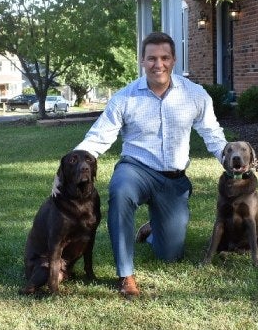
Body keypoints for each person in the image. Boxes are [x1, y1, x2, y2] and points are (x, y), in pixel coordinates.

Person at [74, 31, 227, 297]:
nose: (159, 65)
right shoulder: (125, 97)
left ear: (174, 60)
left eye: (165, 58)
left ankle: (152, 228)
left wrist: (232, 160)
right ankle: (125, 275)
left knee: (170, 254)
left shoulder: (195, 95)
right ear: (142, 61)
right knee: (120, 192)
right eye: (152, 58)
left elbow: (212, 133)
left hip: (173, 179)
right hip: (136, 169)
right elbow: (99, 136)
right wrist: (70, 164)